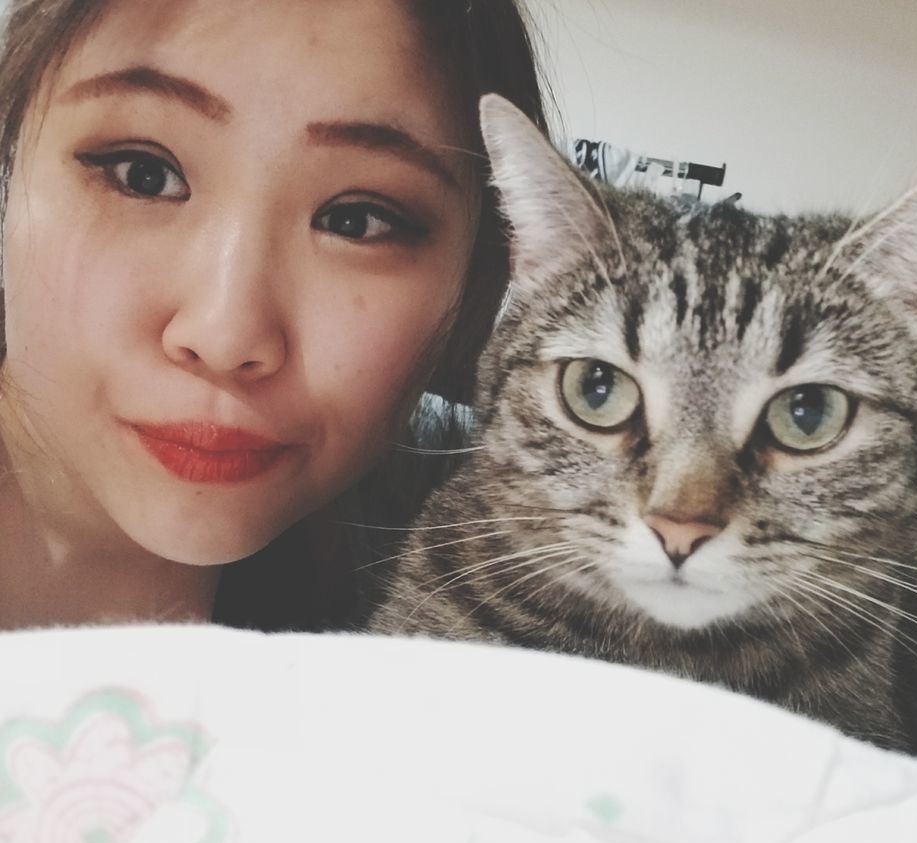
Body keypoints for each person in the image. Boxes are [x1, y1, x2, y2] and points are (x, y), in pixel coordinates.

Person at [0, 0, 551, 631]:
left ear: (474, 290)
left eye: (356, 221)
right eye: (143, 174)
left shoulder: (503, 582)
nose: (226, 334)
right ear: (9, 164)